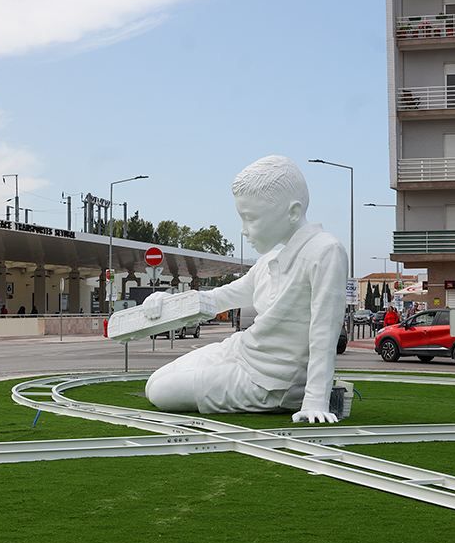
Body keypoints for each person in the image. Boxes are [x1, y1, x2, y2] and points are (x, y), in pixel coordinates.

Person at [142, 155, 348, 424]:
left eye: (250, 219)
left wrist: (315, 400)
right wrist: (168, 302)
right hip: (241, 351)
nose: (243, 230)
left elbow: (324, 332)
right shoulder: (268, 263)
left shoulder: (325, 251)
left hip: (270, 380)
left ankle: (296, 396)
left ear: (292, 212)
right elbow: (217, 298)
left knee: (160, 391)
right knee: (154, 382)